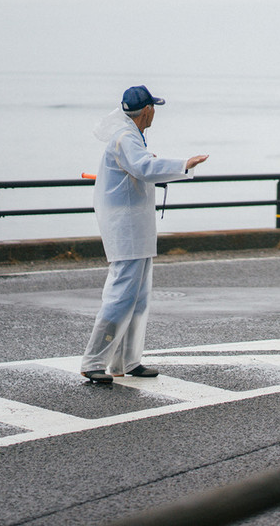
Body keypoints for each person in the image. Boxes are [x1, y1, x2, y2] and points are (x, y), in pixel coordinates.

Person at [80, 85, 208, 383]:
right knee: (121, 295)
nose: (154, 114)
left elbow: (140, 167)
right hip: (126, 228)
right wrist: (184, 164)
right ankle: (94, 360)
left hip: (135, 227)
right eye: (154, 109)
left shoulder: (130, 136)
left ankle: (126, 361)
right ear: (147, 110)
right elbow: (144, 167)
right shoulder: (126, 138)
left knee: (137, 298)